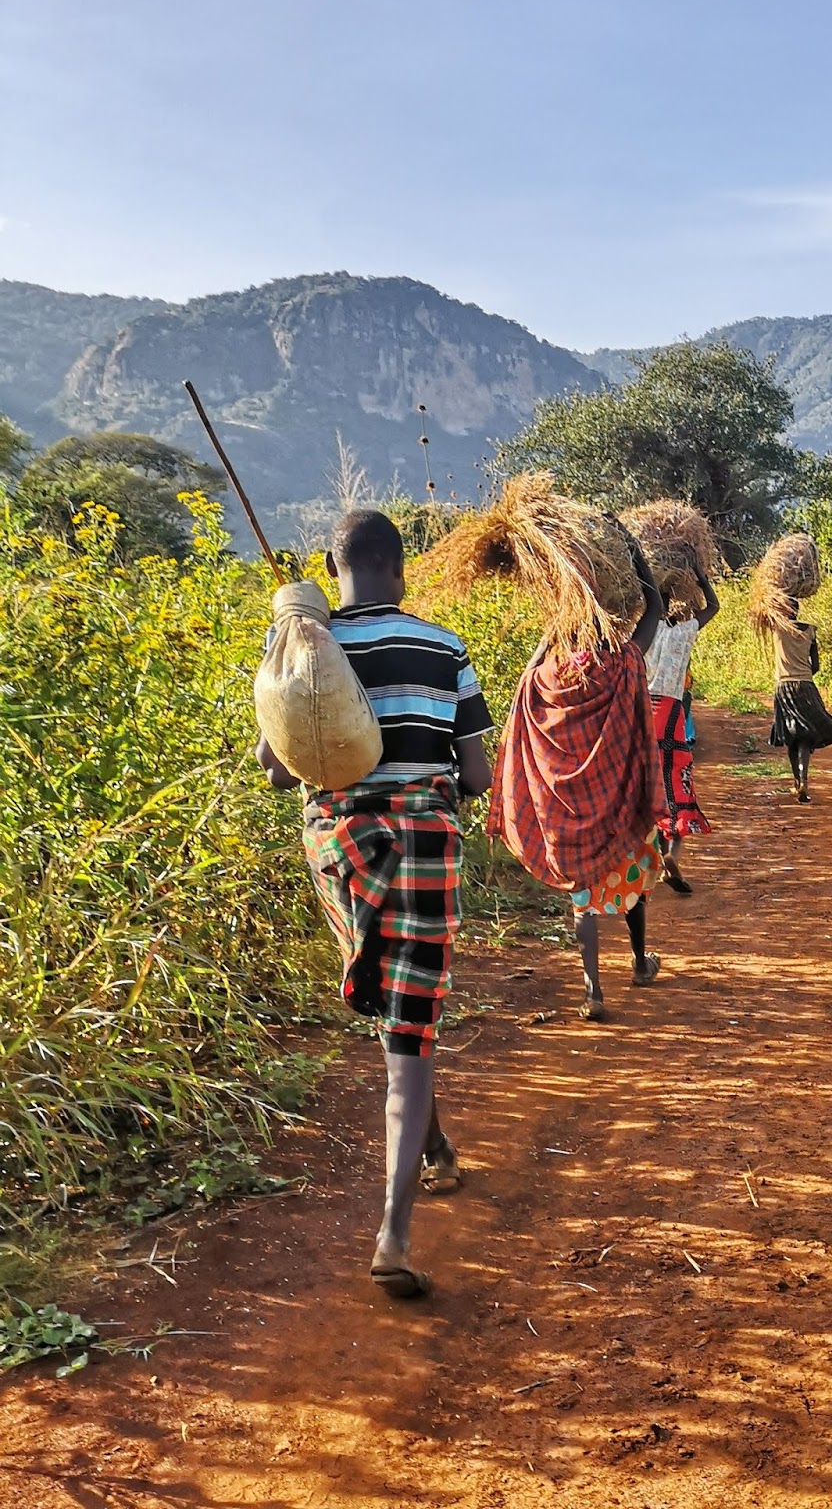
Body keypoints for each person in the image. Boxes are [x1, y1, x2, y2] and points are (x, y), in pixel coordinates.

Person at [257, 510, 493, 1301]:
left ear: (333, 564)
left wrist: (287, 647)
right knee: (410, 1029)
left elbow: (279, 771)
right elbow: (479, 776)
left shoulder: (306, 647)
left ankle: (438, 1151)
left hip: (341, 853)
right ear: (402, 567)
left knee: (399, 1020)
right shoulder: (444, 647)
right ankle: (393, 1234)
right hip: (424, 847)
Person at [489, 529, 666, 1022]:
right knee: (632, 866)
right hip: (615, 797)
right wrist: (633, 551)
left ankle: (593, 989)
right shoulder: (621, 662)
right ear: (607, 618)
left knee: (582, 901)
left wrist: (559, 610)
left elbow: (525, 682)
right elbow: (653, 611)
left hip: (560, 809)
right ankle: (637, 962)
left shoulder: (542, 676)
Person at [643, 553, 719, 892]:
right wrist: (701, 577)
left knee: (650, 784)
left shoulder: (642, 634)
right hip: (673, 714)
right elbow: (713, 607)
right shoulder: (685, 632)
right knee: (677, 785)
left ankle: (659, 857)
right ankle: (673, 853)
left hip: (643, 712)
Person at [767, 593, 832, 803]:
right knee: (806, 736)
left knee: (792, 736)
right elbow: (816, 665)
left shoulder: (778, 629)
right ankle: (802, 781)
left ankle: (798, 782)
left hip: (784, 686)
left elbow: (765, 610)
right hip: (806, 686)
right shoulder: (810, 630)